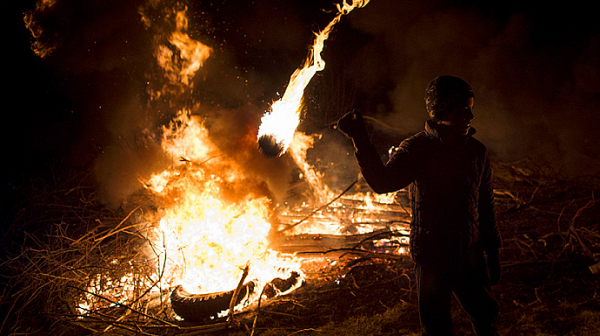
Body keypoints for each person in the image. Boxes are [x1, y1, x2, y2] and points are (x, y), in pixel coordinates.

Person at [337, 75, 502, 336]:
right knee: (437, 329)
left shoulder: (476, 151)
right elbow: (382, 182)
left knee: (486, 318)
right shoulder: (418, 149)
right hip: (433, 257)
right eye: (464, 110)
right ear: (442, 111)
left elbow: (485, 204)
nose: (471, 116)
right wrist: (360, 138)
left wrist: (491, 250)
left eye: (471, 108)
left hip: (468, 254)